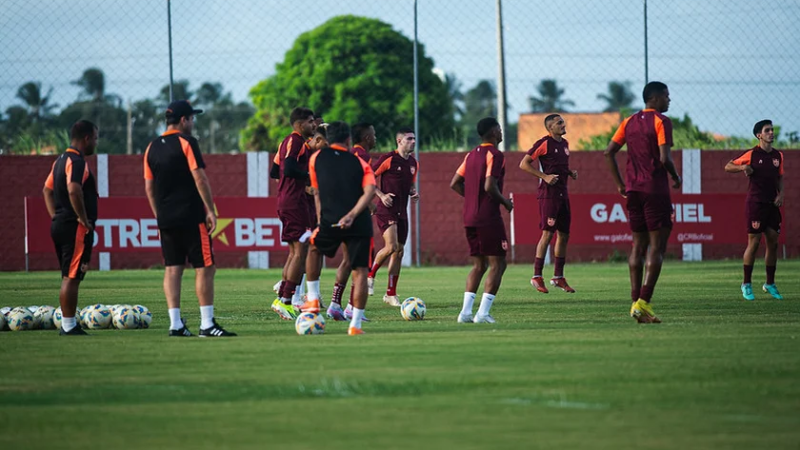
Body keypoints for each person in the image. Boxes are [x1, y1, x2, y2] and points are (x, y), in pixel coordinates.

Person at [143, 100, 235, 337]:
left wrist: (158, 214)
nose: (193, 123)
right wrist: (210, 210)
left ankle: (175, 324)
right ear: (183, 120)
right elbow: (200, 178)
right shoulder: (187, 142)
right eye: (192, 119)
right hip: (191, 215)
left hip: (166, 217)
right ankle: (207, 324)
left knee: (173, 269)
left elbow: (149, 187)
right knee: (205, 267)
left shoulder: (151, 147)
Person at [604, 81, 681, 324]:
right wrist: (675, 176)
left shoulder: (628, 121)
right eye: (667, 96)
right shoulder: (661, 121)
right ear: (655, 99)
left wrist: (619, 184)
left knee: (638, 246)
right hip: (654, 190)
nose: (669, 100)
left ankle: (636, 304)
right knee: (657, 248)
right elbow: (664, 157)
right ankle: (644, 302)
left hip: (634, 190)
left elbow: (609, 152)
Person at [301, 121, 376, 335]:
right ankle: (356, 325)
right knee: (360, 271)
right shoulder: (360, 162)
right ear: (348, 140)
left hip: (330, 220)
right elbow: (370, 190)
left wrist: (320, 221)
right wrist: (352, 215)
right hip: (358, 222)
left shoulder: (316, 159)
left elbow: (316, 192)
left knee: (314, 249)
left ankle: (313, 299)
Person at [450, 117, 513, 324]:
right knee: (498, 264)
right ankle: (483, 314)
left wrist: (471, 199)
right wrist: (505, 202)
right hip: (488, 217)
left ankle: (465, 313)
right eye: (500, 129)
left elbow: (455, 183)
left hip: (469, 217)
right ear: (494, 132)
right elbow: (489, 186)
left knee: (479, 265)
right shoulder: (495, 154)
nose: (502, 133)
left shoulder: (471, 155)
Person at [42, 120, 99, 335]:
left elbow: (46, 190)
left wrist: (56, 215)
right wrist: (82, 218)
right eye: (95, 138)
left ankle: (68, 323)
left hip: (61, 224)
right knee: (72, 276)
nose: (95, 142)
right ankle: (68, 325)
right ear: (86, 138)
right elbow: (74, 190)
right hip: (74, 227)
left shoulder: (59, 161)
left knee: (69, 274)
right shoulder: (76, 161)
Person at [724, 119, 784, 301]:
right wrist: (743, 167)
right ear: (759, 135)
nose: (771, 133)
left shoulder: (778, 156)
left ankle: (770, 283)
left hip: (772, 205)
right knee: (755, 243)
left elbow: (780, 177)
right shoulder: (752, 154)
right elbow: (728, 166)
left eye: (772, 130)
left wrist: (780, 194)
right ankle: (746, 284)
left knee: (773, 242)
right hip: (756, 204)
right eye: (767, 130)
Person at [519, 114, 578, 293]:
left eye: (563, 122)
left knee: (564, 235)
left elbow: (558, 166)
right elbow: (524, 164)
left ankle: (558, 277)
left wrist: (569, 173)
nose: (563, 124)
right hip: (549, 196)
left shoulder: (565, 144)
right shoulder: (544, 143)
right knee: (547, 234)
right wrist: (544, 177)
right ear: (550, 128)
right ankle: (537, 276)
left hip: (563, 194)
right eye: (559, 123)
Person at [328, 122, 377, 321]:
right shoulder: (362, 156)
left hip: (340, 212)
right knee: (361, 263)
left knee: (347, 261)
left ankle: (334, 304)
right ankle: (352, 307)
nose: (375, 138)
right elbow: (364, 187)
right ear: (366, 137)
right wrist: (371, 205)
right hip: (357, 217)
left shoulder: (346, 155)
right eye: (373, 134)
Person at [271, 107, 316, 320]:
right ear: (299, 124)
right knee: (301, 251)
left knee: (295, 252)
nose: (314, 125)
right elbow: (288, 169)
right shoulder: (295, 141)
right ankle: (286, 300)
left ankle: (282, 298)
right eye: (310, 122)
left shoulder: (289, 143)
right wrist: (309, 175)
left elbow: (275, 171)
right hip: (294, 203)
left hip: (290, 201)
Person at [367, 127, 419, 307]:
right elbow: (369, 178)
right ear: (399, 141)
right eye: (409, 139)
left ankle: (390, 293)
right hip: (386, 209)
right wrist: (381, 196)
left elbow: (410, 185)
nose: (413, 141)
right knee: (391, 247)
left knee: (399, 252)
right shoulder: (388, 159)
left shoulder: (413, 163)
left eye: (414, 138)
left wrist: (413, 193)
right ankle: (370, 276)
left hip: (401, 211)